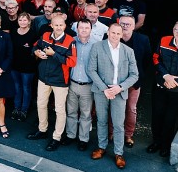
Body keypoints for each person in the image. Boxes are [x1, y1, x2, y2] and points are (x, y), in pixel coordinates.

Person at [88, 23, 139, 169]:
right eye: (112, 32)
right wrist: (104, 89)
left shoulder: (128, 51)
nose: (115, 35)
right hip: (101, 91)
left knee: (118, 124)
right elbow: (91, 70)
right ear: (108, 32)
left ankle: (118, 153)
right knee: (102, 121)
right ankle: (102, 147)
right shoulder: (97, 47)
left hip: (119, 91)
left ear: (121, 35)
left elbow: (135, 74)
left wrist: (119, 87)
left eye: (118, 33)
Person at [148, 21, 178, 158]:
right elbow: (156, 58)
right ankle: (156, 142)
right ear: (173, 29)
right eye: (176, 30)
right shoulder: (164, 40)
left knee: (171, 118)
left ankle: (165, 145)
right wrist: (166, 76)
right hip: (161, 85)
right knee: (157, 116)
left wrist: (177, 82)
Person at [27, 16, 77, 151]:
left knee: (59, 110)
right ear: (51, 25)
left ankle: (56, 137)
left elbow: (72, 62)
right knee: (41, 104)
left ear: (65, 25)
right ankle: (42, 130)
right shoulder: (45, 35)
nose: (59, 27)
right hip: (43, 77)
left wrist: (54, 54)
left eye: (61, 25)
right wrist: (36, 52)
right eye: (56, 25)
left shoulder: (70, 41)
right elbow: (35, 47)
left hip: (60, 81)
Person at [63, 19, 99, 151]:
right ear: (77, 29)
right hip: (72, 83)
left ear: (91, 29)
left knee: (85, 113)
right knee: (71, 111)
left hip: (88, 85)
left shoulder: (97, 44)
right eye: (81, 28)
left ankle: (83, 139)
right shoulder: (71, 41)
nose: (83, 30)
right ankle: (70, 135)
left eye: (86, 28)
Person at [119, 15, 152, 148]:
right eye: (123, 23)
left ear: (134, 26)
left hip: (134, 82)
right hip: (115, 82)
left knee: (131, 109)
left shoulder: (143, 39)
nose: (125, 26)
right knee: (114, 108)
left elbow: (147, 61)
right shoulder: (111, 36)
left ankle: (128, 135)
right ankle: (111, 132)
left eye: (128, 24)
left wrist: (139, 78)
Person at [10, 12, 39, 121]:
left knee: (26, 88)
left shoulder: (33, 34)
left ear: (29, 21)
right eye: (20, 20)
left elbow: (36, 51)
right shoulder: (13, 32)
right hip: (15, 65)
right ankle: (16, 108)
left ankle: (24, 110)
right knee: (17, 87)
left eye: (25, 20)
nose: (22, 22)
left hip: (28, 67)